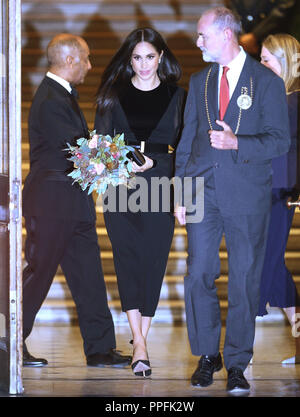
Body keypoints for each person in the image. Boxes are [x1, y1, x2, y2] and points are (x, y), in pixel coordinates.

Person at [174, 7, 290, 393]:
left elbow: (280, 141)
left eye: (202, 35)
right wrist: (179, 192)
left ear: (226, 34)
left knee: (244, 279)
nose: (198, 42)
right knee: (198, 274)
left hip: (247, 196)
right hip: (202, 195)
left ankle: (237, 361)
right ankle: (208, 355)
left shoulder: (267, 83)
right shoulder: (200, 80)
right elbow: (188, 142)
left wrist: (238, 142)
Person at [22, 33, 131, 368]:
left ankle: (99, 348)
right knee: (38, 274)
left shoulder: (60, 95)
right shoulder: (50, 98)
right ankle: (8, 342)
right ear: (69, 60)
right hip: (52, 204)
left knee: (88, 275)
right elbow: (77, 152)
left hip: (72, 203)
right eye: (85, 58)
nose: (89, 65)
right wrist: (122, 159)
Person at [94, 27, 185, 377]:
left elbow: (187, 150)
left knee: (154, 261)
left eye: (150, 56)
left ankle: (141, 339)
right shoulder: (112, 95)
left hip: (161, 186)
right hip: (121, 188)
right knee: (127, 260)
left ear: (161, 57)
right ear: (128, 59)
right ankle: (140, 342)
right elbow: (101, 145)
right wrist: (124, 161)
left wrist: (163, 172)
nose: (144, 64)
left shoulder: (180, 96)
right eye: (137, 57)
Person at [258, 33, 300, 363]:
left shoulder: (293, 100)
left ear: (284, 62)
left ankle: (240, 348)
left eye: (266, 59)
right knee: (273, 265)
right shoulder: (270, 97)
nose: (260, 65)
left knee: (265, 264)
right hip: (261, 189)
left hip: (279, 191)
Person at [225, 0, 296, 55]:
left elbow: (282, 11)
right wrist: (241, 36)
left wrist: (255, 35)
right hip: (243, 45)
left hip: (274, 44)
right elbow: (233, 9)